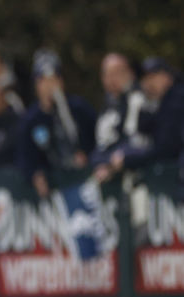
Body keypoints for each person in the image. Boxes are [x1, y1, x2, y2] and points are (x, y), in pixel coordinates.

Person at [18, 49, 96, 198]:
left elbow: (97, 139)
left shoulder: (79, 109)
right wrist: (36, 175)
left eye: (54, 80)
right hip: (54, 191)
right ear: (36, 85)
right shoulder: (30, 120)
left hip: (84, 183)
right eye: (44, 81)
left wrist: (88, 156)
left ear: (61, 81)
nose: (49, 86)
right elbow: (25, 158)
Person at [91, 53, 150, 183]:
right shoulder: (107, 105)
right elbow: (102, 144)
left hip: (142, 177)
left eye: (118, 72)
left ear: (130, 74)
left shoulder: (139, 100)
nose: (112, 78)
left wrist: (113, 161)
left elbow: (137, 140)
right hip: (113, 180)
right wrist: (100, 162)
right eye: (107, 74)